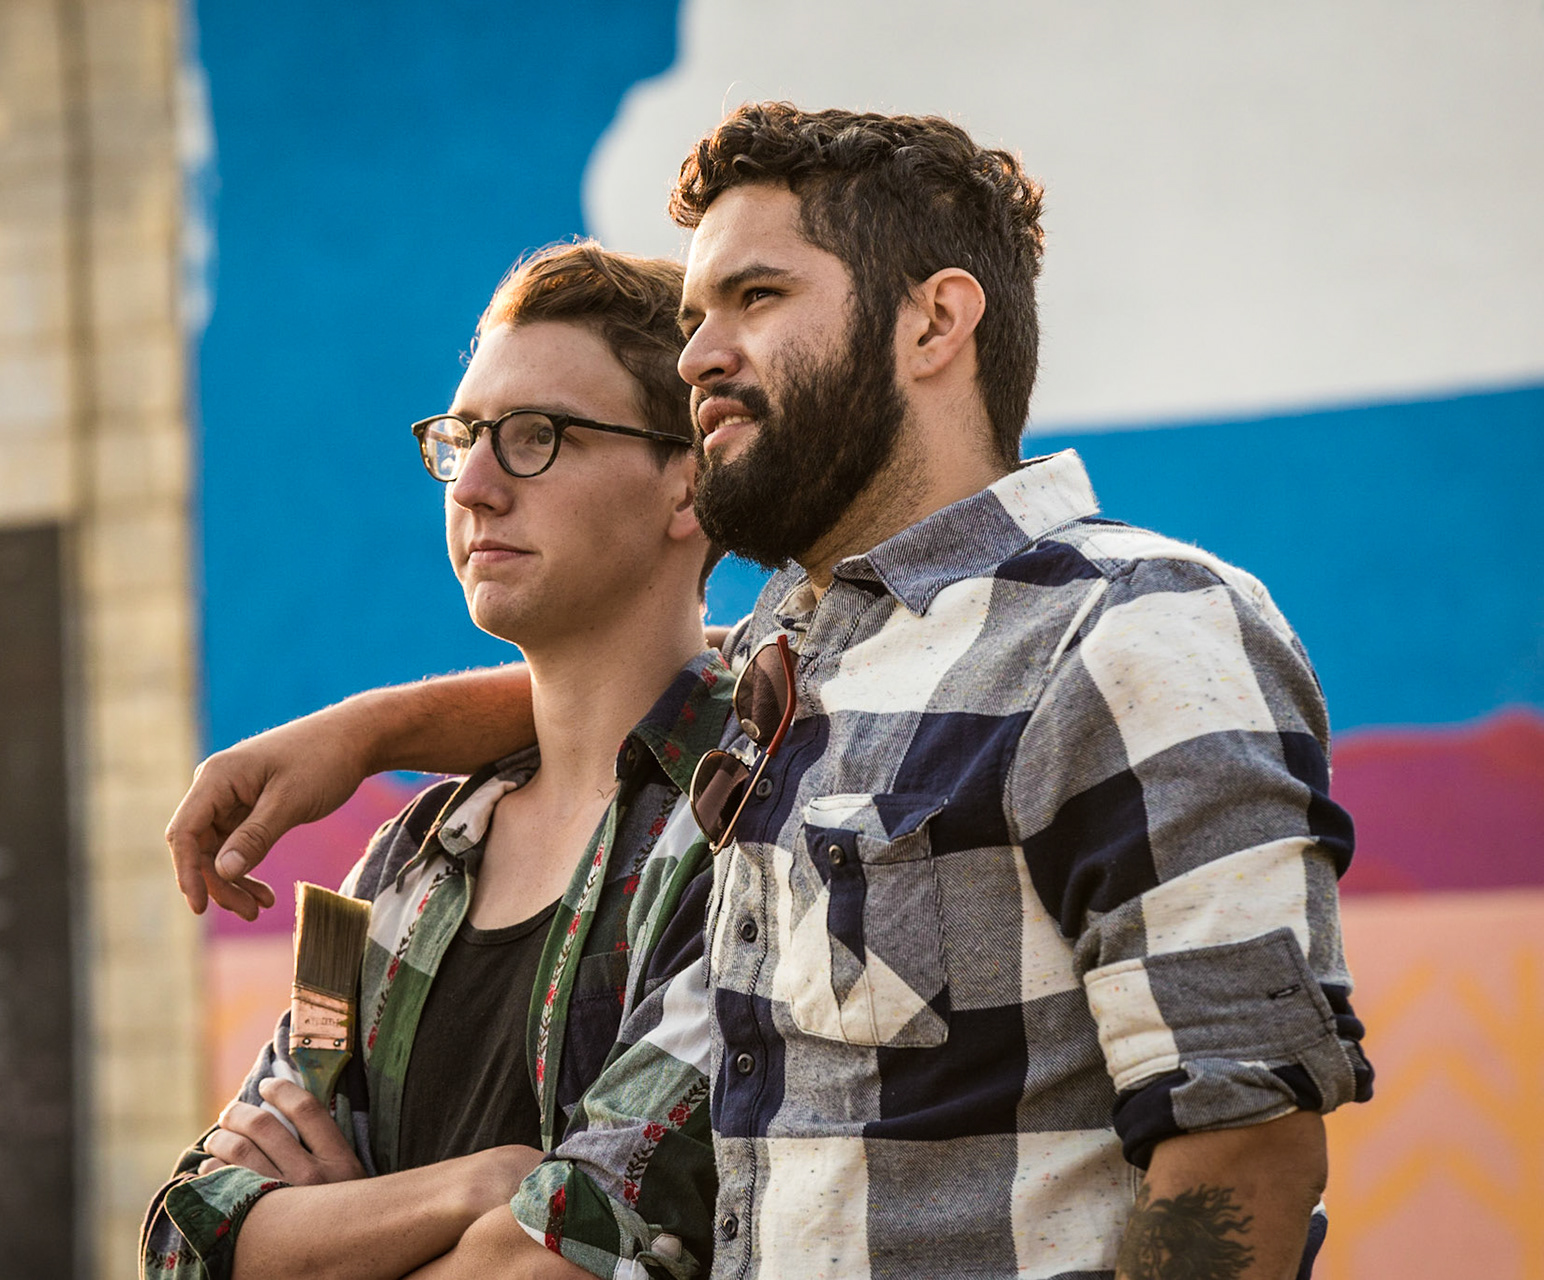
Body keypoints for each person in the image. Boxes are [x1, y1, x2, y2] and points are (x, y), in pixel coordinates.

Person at [169, 105, 1374, 1280]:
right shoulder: (795, 678)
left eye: (756, 297)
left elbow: (1245, 1143)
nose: (698, 355)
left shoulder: (1129, 626)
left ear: (936, 324)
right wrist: (367, 732)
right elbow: (613, 706)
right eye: (694, 316)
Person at [144, 242, 734, 1280]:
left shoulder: (747, 830)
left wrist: (336, 1235)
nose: (473, 483)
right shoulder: (401, 863)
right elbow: (187, 1234)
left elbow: (593, 1240)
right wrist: (477, 1184)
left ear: (685, 486)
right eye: (461, 439)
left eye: (537, 436)